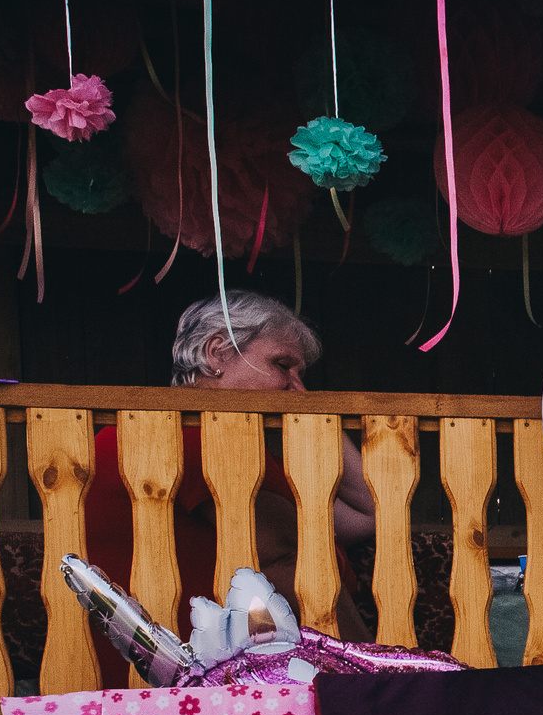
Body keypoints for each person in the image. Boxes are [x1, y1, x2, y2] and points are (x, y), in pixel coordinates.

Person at [82, 292, 376, 681]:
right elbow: (288, 561)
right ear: (217, 352)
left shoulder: (227, 438)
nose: (298, 387)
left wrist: (312, 413)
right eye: (282, 364)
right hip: (188, 675)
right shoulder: (185, 430)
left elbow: (367, 516)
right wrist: (371, 675)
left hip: (222, 667)